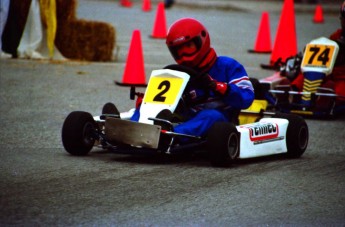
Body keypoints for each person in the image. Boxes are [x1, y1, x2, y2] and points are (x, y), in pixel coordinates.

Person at [153, 17, 254, 138]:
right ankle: (135, 130)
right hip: (187, 117)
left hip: (221, 122)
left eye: (188, 46)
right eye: (178, 50)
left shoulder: (227, 66)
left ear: (201, 40)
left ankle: (170, 136)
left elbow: (247, 97)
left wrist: (219, 87)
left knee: (210, 116)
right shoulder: (179, 73)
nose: (183, 54)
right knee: (145, 111)